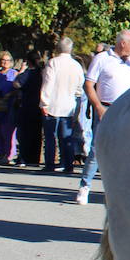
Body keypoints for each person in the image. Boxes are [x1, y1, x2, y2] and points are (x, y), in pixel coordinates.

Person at [76, 30, 130, 204]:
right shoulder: (102, 58)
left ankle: (120, 189)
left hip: (128, 109)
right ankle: (85, 186)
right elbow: (88, 84)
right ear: (122, 43)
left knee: (126, 150)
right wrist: (98, 107)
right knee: (97, 149)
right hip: (106, 107)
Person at [40, 37, 85, 173]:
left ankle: (49, 164)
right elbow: (80, 86)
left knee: (50, 137)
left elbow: (48, 83)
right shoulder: (76, 65)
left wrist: (44, 103)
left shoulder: (53, 63)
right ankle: (68, 164)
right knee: (66, 137)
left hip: (53, 105)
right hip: (69, 105)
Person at [13, 50, 45, 167]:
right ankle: (34, 158)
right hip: (38, 106)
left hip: (26, 105)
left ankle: (24, 157)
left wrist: (21, 71)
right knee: (37, 134)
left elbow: (16, 84)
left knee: (24, 134)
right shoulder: (41, 73)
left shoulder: (27, 73)